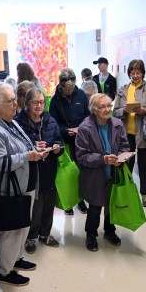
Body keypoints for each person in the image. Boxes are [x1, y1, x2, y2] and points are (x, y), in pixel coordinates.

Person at [0, 82, 49, 286]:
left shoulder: (8, 121)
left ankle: (15, 259)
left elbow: (21, 144)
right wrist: (28, 156)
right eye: (11, 100)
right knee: (11, 231)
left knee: (22, 226)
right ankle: (5, 273)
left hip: (25, 184)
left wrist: (35, 148)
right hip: (9, 189)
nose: (16, 103)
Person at [76, 93, 130, 252]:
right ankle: (91, 235)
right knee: (94, 207)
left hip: (113, 173)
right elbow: (82, 156)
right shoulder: (85, 128)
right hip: (94, 175)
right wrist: (103, 159)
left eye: (109, 106)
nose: (107, 109)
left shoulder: (117, 124)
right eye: (102, 107)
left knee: (111, 204)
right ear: (94, 109)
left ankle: (109, 231)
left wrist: (121, 156)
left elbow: (125, 146)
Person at [15, 87, 63, 253]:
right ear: (27, 104)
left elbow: (59, 142)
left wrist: (57, 148)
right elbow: (16, 148)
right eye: (35, 102)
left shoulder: (51, 121)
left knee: (48, 203)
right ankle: (31, 237)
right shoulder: (18, 123)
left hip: (49, 169)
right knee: (34, 206)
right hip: (30, 171)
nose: (39, 106)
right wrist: (34, 147)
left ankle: (45, 234)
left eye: (42, 102)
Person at [113, 59, 146, 208]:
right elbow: (114, 112)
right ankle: (127, 192)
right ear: (129, 73)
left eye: (138, 72)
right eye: (133, 72)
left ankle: (145, 194)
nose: (135, 75)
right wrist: (123, 110)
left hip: (144, 134)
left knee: (144, 165)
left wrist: (144, 111)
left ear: (143, 73)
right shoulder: (123, 90)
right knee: (127, 165)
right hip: (126, 135)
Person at [49, 67, 91, 215]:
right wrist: (65, 131)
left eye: (71, 88)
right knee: (68, 172)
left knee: (80, 171)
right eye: (67, 89)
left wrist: (80, 128)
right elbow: (52, 122)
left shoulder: (80, 95)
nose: (69, 91)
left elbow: (88, 115)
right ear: (61, 85)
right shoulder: (55, 100)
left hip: (80, 139)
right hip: (65, 139)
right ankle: (68, 203)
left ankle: (80, 201)